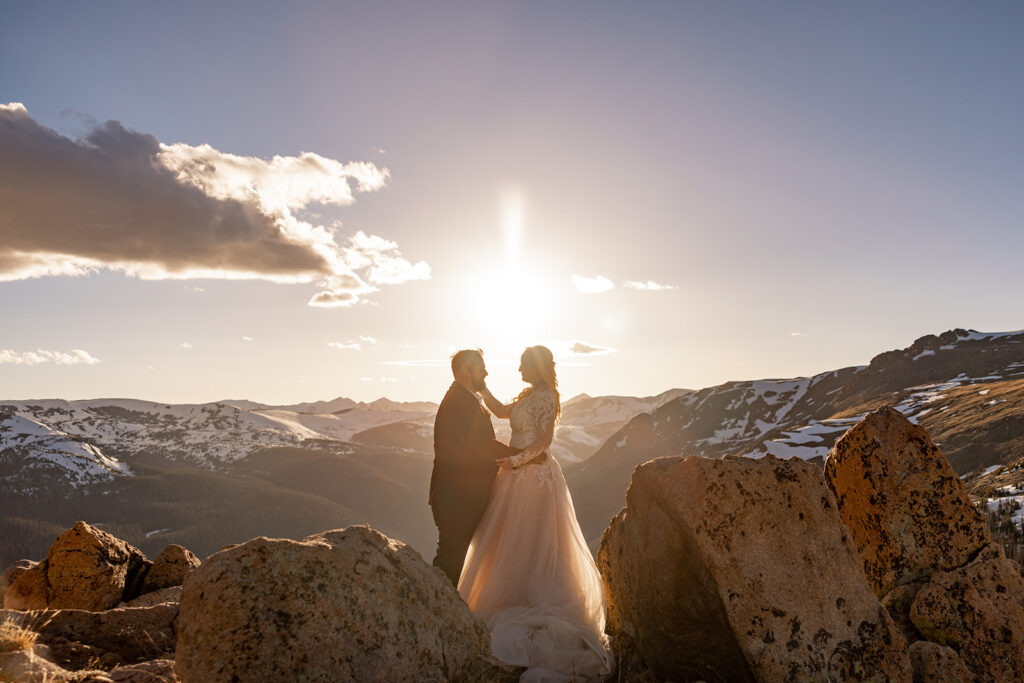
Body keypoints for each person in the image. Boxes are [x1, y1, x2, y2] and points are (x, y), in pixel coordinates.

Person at [458, 345, 614, 682]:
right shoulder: (530, 395)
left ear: (536, 366)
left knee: (532, 536)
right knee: (510, 538)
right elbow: (500, 411)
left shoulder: (547, 397)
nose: (518, 371)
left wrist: (515, 461)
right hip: (517, 476)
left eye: (523, 365)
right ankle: (514, 593)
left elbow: (544, 440)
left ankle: (531, 596)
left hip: (534, 476)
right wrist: (479, 385)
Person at [429, 348, 524, 586]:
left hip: (459, 496)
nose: (486, 372)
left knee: (454, 558)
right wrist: (522, 455)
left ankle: (442, 608)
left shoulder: (465, 398)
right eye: (481, 369)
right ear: (465, 374)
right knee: (450, 561)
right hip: (455, 498)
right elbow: (481, 445)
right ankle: (437, 609)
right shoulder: (459, 402)